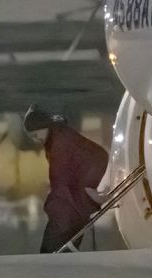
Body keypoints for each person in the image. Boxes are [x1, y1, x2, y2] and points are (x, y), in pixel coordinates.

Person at [22, 105, 109, 253]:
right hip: (80, 184)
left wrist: (87, 187)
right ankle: (63, 254)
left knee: (60, 217)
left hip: (78, 186)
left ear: (43, 127)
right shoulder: (57, 135)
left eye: (36, 135)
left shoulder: (59, 142)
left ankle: (56, 258)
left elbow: (60, 176)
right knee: (66, 217)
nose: (36, 140)